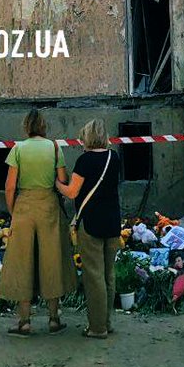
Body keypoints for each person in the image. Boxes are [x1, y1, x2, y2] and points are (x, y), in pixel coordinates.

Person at [0, 108, 76, 336]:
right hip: (49, 206)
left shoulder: (18, 149)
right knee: (52, 259)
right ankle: (53, 319)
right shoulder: (54, 147)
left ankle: (24, 321)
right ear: (43, 126)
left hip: (24, 206)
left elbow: (10, 186)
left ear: (26, 126)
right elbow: (62, 180)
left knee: (22, 261)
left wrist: (14, 211)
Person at [57, 118, 121, 339]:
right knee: (109, 274)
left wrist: (56, 184)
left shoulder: (85, 161)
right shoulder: (114, 157)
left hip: (92, 223)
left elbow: (72, 192)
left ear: (88, 138)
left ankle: (97, 327)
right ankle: (107, 322)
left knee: (94, 276)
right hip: (113, 222)